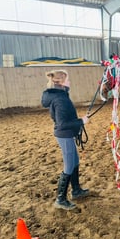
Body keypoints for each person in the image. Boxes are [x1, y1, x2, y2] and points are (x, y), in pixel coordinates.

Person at [41, 69, 90, 210]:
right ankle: (60, 199)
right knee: (68, 166)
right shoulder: (60, 99)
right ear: (61, 82)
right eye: (67, 79)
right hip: (65, 134)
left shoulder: (61, 94)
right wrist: (81, 121)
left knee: (75, 161)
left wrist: (79, 120)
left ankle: (76, 190)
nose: (70, 81)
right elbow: (62, 123)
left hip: (66, 133)